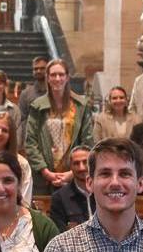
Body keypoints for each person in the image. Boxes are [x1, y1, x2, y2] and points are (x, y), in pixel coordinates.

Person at [22, 59, 91, 191]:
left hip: (75, 174)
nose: (57, 78)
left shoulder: (80, 105)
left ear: (67, 77)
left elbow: (88, 141)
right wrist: (45, 172)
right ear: (47, 78)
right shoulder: (37, 106)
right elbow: (31, 142)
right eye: (53, 75)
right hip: (45, 177)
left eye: (61, 74)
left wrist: (72, 173)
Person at [46, 147, 93, 232]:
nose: (81, 168)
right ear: (70, 167)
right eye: (76, 163)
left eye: (85, 162)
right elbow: (59, 234)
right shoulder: (59, 198)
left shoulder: (104, 192)